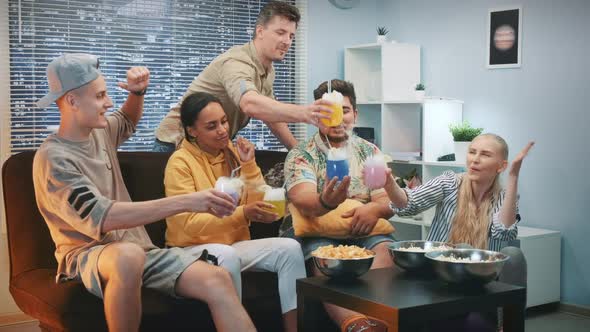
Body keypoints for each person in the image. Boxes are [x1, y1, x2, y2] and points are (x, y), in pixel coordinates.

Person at [32, 53, 256, 332]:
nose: (109, 102)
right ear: (72, 101)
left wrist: (137, 93)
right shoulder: (54, 159)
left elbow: (126, 119)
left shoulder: (98, 132)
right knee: (128, 256)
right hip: (88, 254)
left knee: (218, 279)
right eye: (100, 96)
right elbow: (104, 217)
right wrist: (190, 201)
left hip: (141, 251)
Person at [164, 91, 306, 332]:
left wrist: (249, 165)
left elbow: (258, 201)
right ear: (192, 130)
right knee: (226, 256)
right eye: (212, 126)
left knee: (290, 249)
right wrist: (242, 214)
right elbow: (187, 224)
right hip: (190, 249)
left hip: (232, 244)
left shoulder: (231, 152)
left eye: (224, 121)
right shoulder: (180, 163)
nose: (222, 130)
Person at [382, 134, 534, 331]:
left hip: (485, 284)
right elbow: (409, 204)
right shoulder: (449, 182)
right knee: (463, 250)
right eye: (472, 152)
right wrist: (388, 184)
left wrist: (513, 176)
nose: (475, 159)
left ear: (501, 166)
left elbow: (503, 233)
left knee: (514, 255)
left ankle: (506, 324)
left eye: (485, 154)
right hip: (442, 279)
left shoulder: (506, 197)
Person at [282, 79, 395, 332]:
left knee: (386, 247)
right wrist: (326, 201)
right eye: (327, 112)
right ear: (316, 117)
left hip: (365, 231)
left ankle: (378, 319)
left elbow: (387, 200)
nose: (337, 118)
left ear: (355, 114)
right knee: (325, 256)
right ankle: (356, 325)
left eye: (344, 110)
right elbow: (304, 200)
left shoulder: (369, 151)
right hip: (317, 232)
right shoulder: (302, 154)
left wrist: (373, 210)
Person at [153, 1, 331, 152]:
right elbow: (250, 103)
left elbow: (271, 116)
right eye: (280, 32)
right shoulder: (236, 61)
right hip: (176, 142)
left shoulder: (267, 68)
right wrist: (305, 113)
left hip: (209, 143)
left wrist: (297, 151)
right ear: (260, 31)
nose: (287, 41)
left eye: (291, 36)